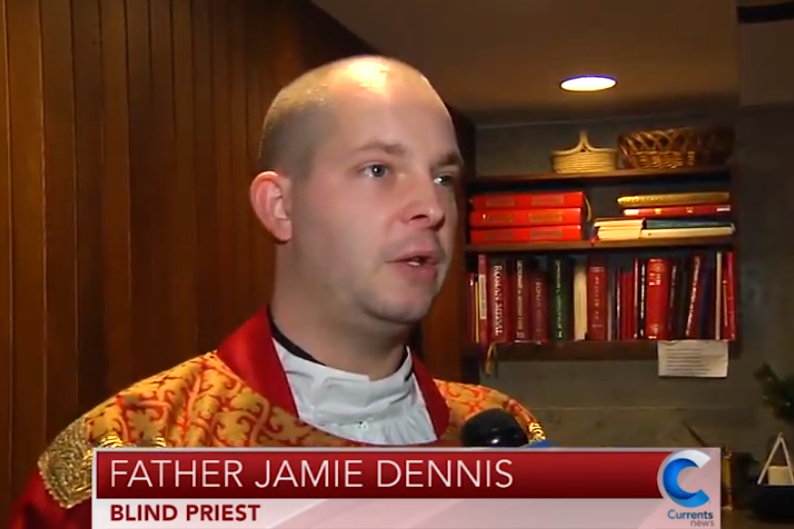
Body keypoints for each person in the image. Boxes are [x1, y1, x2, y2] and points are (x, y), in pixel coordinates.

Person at [6, 55, 546, 528]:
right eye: (379, 168)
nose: (431, 206)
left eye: (443, 177)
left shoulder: (503, 434)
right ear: (280, 207)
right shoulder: (133, 449)